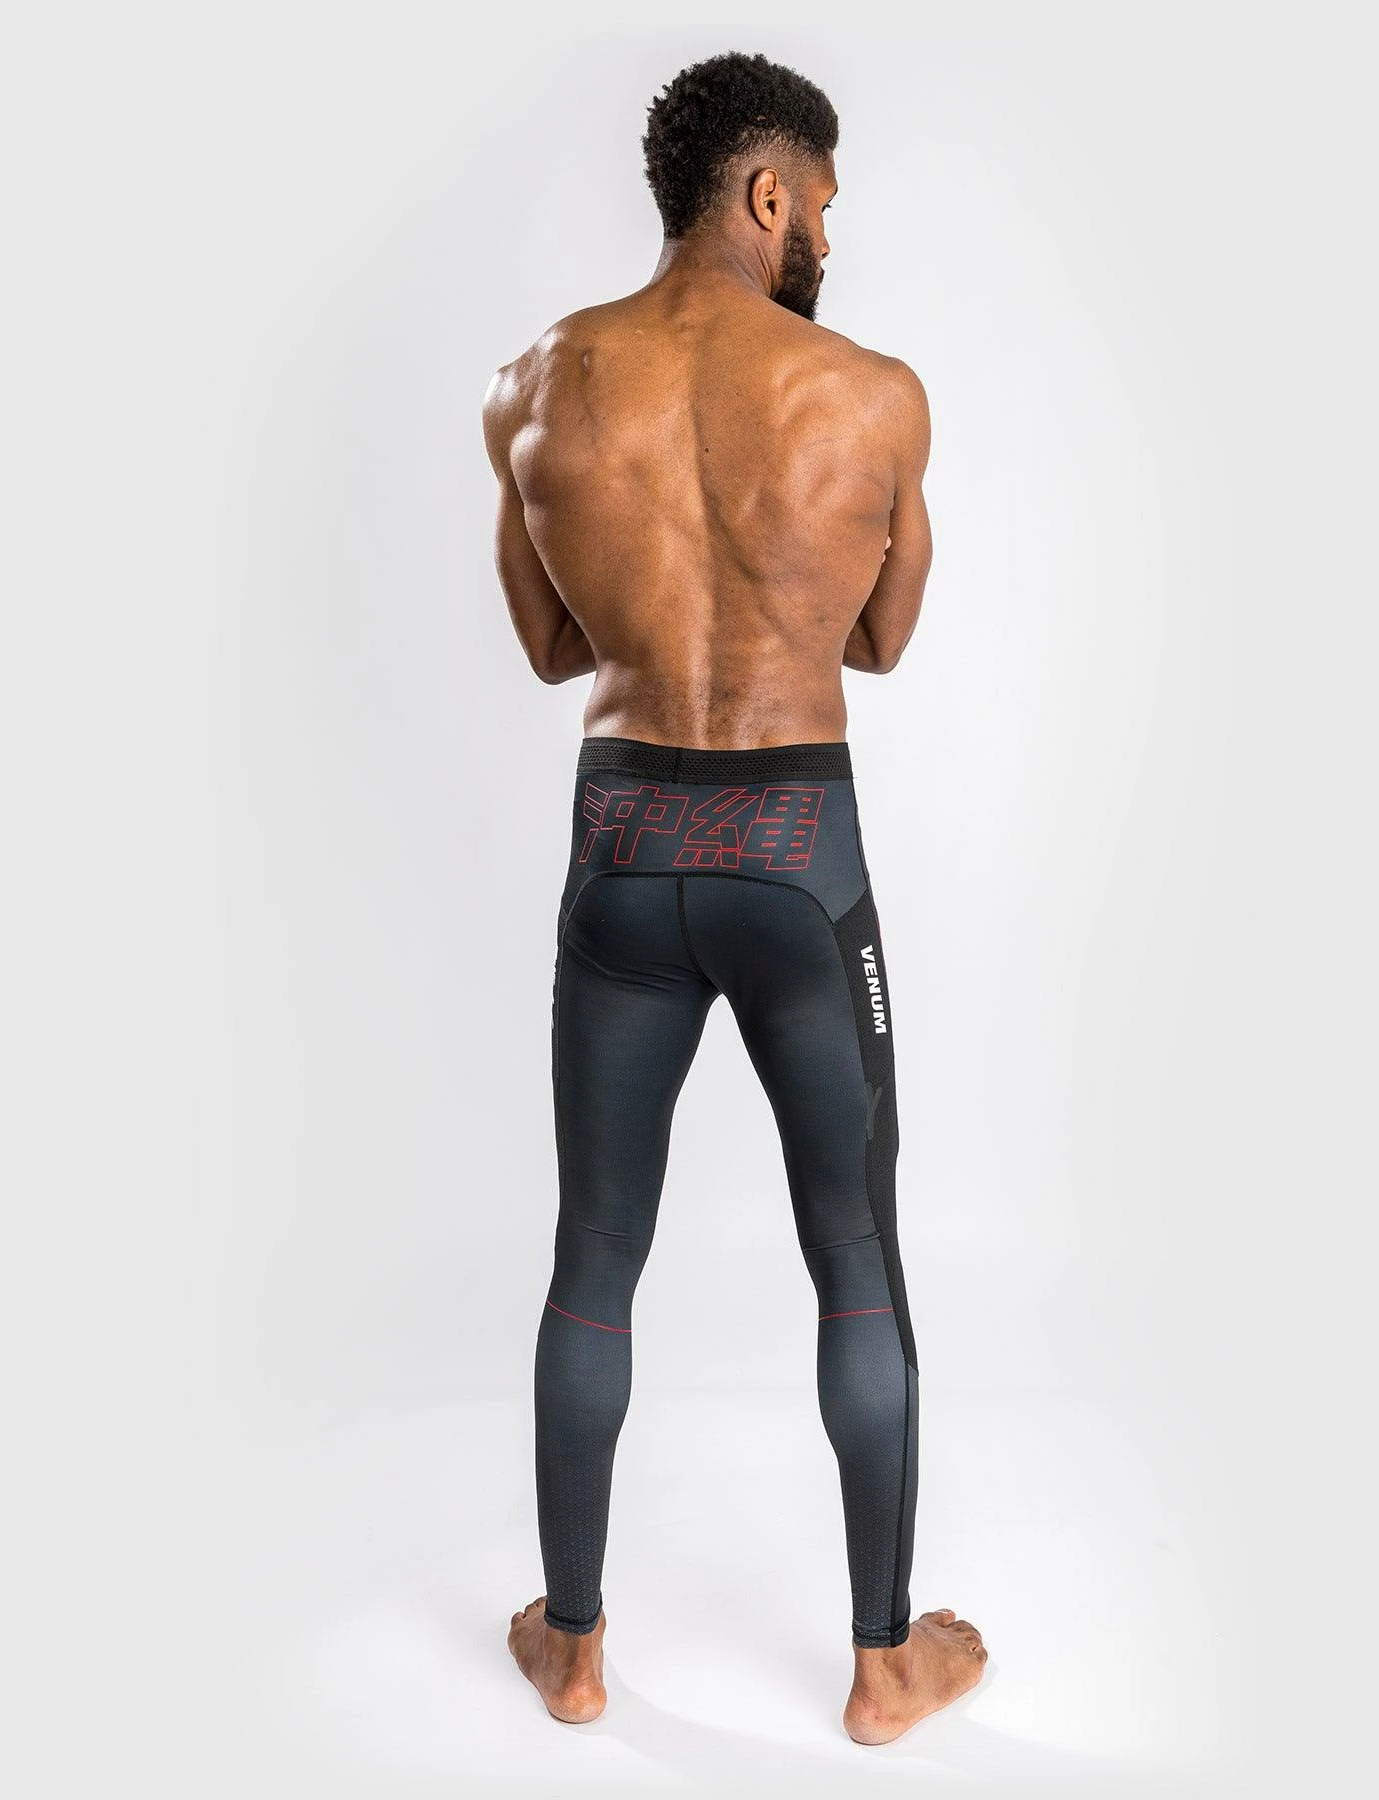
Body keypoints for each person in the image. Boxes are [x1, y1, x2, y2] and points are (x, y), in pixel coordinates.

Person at [481, 49, 986, 1745]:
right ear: (768, 195)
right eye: (821, 206)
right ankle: (883, 1665)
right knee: (854, 1254)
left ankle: (570, 1650)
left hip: (623, 849)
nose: (826, 236)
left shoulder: (537, 381)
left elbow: (550, 646)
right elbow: (883, 640)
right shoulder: (873, 394)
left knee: (592, 1257)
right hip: (795, 859)